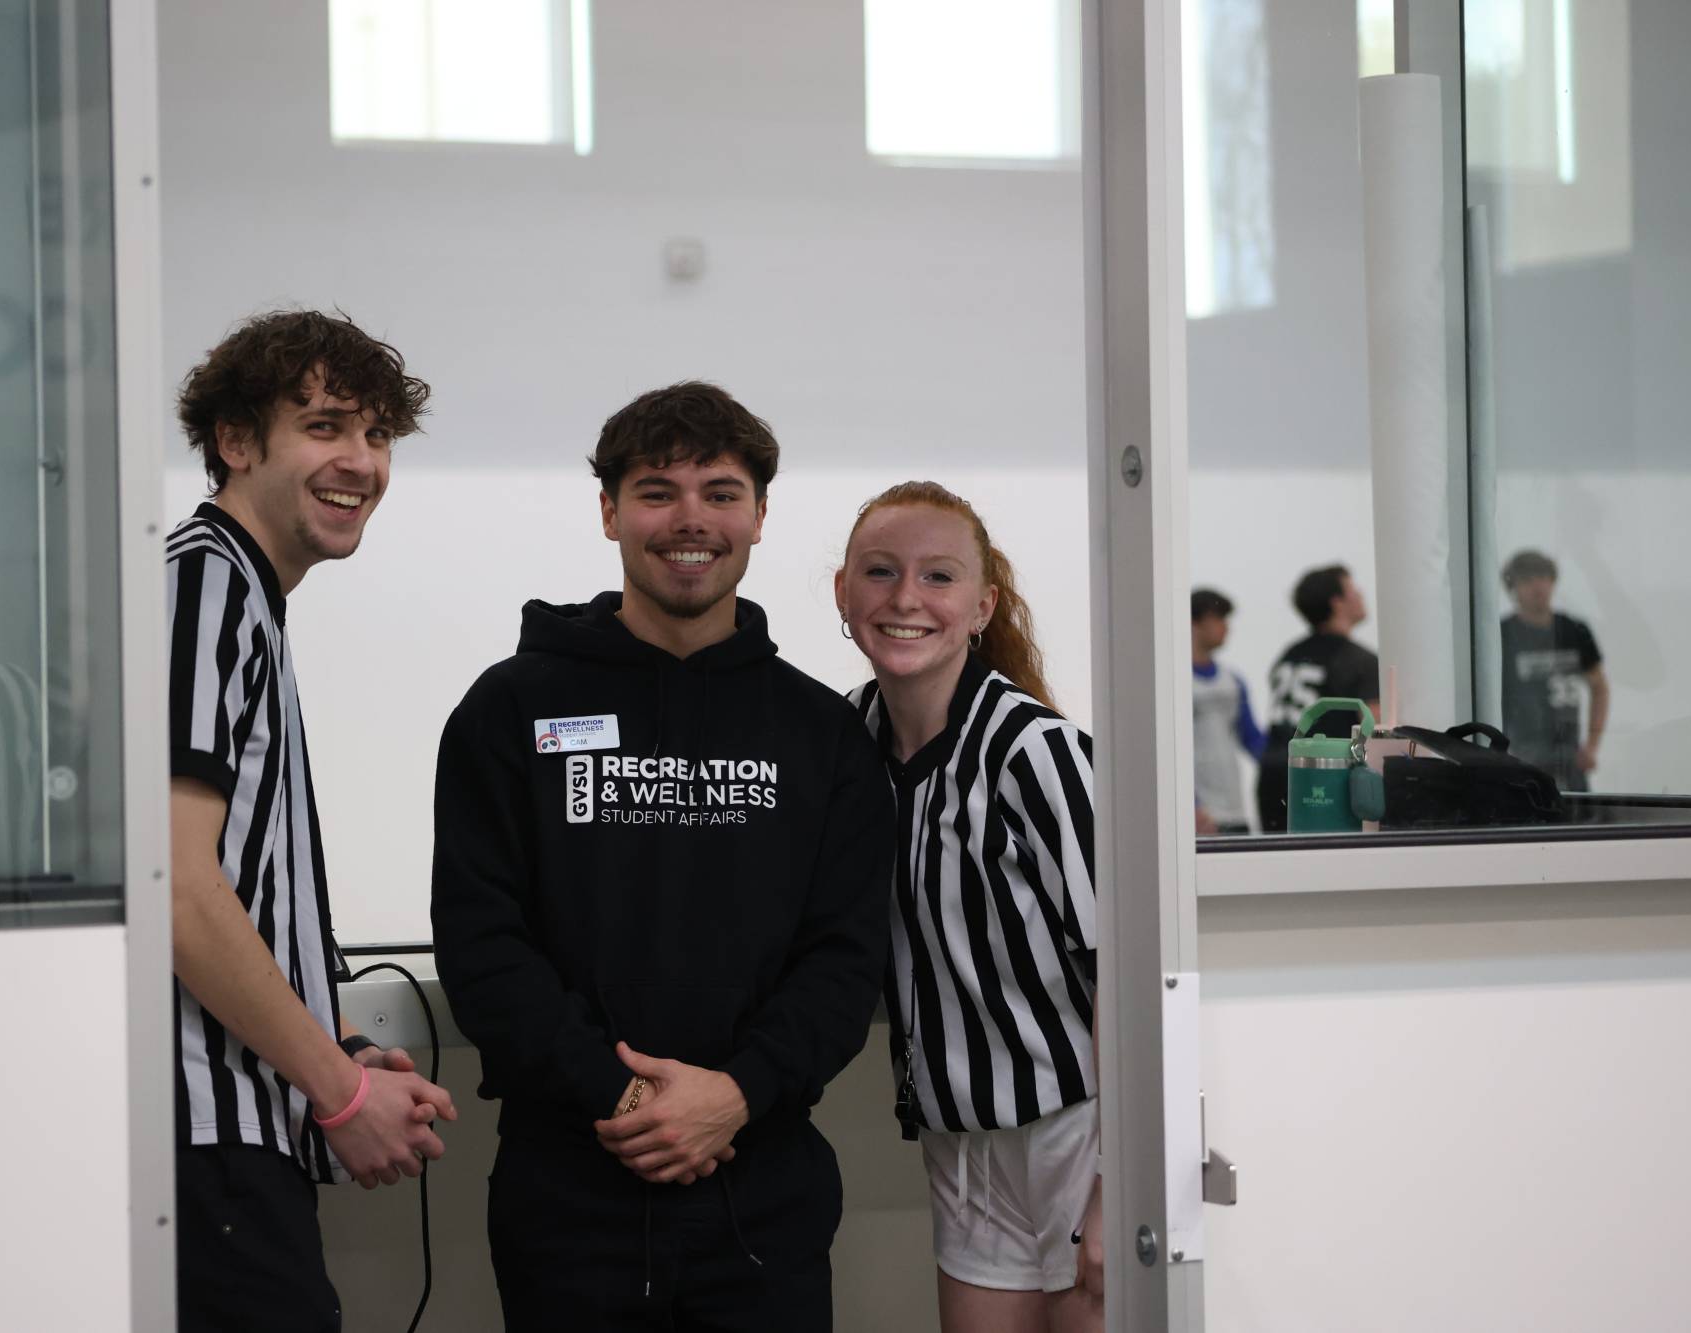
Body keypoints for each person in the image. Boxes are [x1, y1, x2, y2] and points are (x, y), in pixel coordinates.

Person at [431, 381, 893, 1332]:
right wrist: (632, 1095)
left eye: (720, 493)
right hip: (568, 1196)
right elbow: (482, 944)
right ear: (609, 511)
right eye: (657, 491)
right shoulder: (508, 710)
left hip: (762, 1194)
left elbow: (845, 960)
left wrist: (736, 1093)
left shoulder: (823, 735)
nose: (691, 520)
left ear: (759, 515)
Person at [166, 310, 456, 1333]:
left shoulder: (241, 593)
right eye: (324, 426)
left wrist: (337, 1046)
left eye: (376, 435)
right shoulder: (206, 584)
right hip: (205, 1141)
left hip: (238, 1134)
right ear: (236, 441)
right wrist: (339, 1091)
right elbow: (178, 888)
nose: (360, 462)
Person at [838, 481, 1102, 1333]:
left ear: (982, 605)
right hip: (958, 1139)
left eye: (938, 576)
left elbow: (1130, 975)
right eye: (881, 571)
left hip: (1081, 1132)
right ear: (843, 593)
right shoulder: (843, 742)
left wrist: (1123, 1182)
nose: (905, 598)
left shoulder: (1038, 754)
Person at [1255, 565, 1380, 834]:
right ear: (1337, 602)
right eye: (1353, 589)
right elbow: (1375, 731)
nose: (1361, 594)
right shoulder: (1359, 660)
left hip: (1272, 773)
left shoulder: (1289, 654)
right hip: (1321, 777)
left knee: (1280, 854)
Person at [1498, 550, 1608, 792]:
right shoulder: (1502, 635)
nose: (1537, 586)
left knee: (1576, 812)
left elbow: (1599, 688)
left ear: (1553, 581)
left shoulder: (1574, 630)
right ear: (1514, 587)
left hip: (1569, 756)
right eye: (1527, 580)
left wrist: (1592, 746)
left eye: (1543, 577)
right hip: (1520, 754)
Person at [1189, 588, 1266, 835]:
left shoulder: (1233, 682)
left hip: (1235, 811)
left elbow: (1253, 739)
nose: (1226, 627)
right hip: (1199, 817)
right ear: (1194, 623)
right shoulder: (1175, 685)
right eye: (1218, 618)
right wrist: (1191, 805)